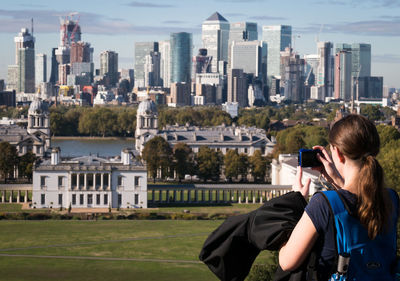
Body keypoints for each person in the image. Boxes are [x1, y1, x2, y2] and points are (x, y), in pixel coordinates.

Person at [278, 114, 399, 280]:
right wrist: (336, 179)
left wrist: (295, 200)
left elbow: (286, 262)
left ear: (338, 154)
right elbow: (359, 203)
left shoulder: (322, 204)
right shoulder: (391, 199)